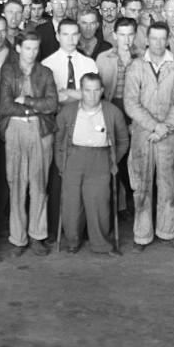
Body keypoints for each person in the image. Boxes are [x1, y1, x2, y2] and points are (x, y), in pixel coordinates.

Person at [122, 20, 174, 251]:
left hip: (169, 137)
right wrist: (154, 126)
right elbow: (130, 103)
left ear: (168, 39)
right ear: (147, 40)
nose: (159, 43)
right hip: (143, 135)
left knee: (169, 186)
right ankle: (142, 235)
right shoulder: (136, 66)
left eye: (163, 38)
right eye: (154, 38)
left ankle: (169, 231)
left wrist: (166, 127)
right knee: (141, 186)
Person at [54, 72, 130, 255]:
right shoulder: (68, 111)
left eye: (96, 91)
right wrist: (60, 163)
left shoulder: (112, 111)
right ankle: (72, 241)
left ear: (102, 91)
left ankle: (101, 244)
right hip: (74, 158)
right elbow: (58, 140)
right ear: (81, 91)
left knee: (98, 203)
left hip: (100, 159)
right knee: (72, 204)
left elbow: (123, 140)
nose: (92, 95)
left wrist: (113, 161)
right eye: (87, 91)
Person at [0, 31, 58, 255]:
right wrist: (31, 108)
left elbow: (52, 105)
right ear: (19, 48)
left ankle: (37, 236)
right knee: (17, 184)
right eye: (28, 48)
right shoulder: (8, 70)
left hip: (40, 130)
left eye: (36, 48)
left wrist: (27, 101)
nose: (32, 53)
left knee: (39, 185)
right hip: (15, 129)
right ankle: (18, 238)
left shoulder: (45, 72)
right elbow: (4, 106)